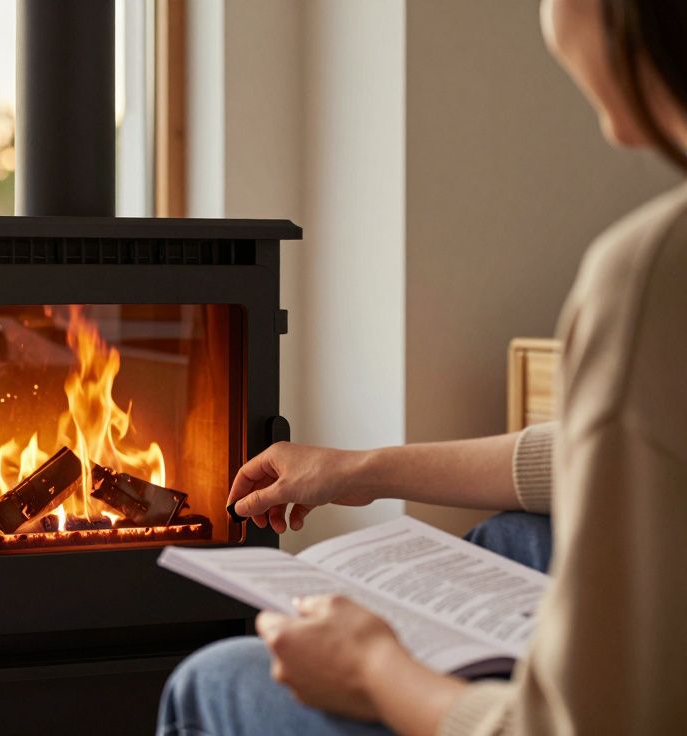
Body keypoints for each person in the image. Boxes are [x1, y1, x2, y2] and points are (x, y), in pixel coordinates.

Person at [158, 0, 686, 733]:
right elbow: (595, 459)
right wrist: (359, 469)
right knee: (509, 538)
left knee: (211, 681)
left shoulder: (656, 273)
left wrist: (374, 670)